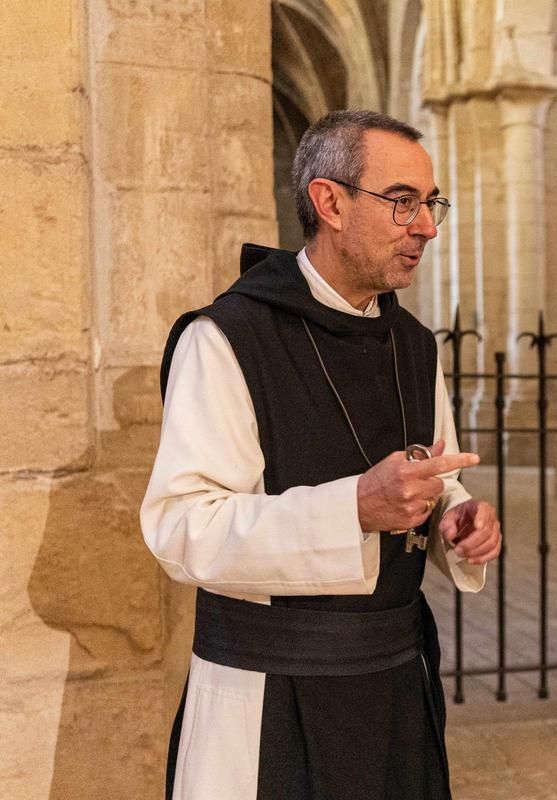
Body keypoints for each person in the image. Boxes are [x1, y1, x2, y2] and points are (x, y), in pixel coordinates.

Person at [141, 110, 501, 800]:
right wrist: (353, 510)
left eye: (431, 204)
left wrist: (456, 521)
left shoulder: (415, 346)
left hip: (394, 686)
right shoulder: (226, 339)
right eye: (402, 202)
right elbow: (179, 527)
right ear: (329, 202)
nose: (426, 225)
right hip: (269, 694)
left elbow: (434, 476)